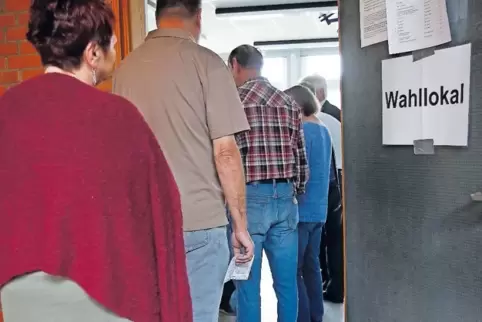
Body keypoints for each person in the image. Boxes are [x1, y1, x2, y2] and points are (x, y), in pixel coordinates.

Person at [0, 1, 192, 321]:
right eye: (110, 40)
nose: (115, 45)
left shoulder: (8, 109)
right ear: (92, 53)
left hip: (19, 288)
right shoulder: (117, 116)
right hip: (106, 289)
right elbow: (160, 208)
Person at [112, 0, 254, 321]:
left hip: (143, 223)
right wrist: (241, 226)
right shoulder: (208, 64)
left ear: (159, 14)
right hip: (200, 224)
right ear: (198, 18)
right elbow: (226, 152)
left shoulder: (124, 70)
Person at [228, 44, 309, 322]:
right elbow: (300, 157)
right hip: (285, 197)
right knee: (287, 286)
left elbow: (226, 158)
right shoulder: (288, 102)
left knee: (248, 287)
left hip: (248, 201)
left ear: (235, 65)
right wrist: (294, 190)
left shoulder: (233, 101)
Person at [285, 85, 333, 322]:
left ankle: (301, 318)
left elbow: (297, 171)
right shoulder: (323, 129)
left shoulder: (302, 130)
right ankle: (316, 315)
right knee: (312, 266)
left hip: (301, 209)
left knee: (294, 270)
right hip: (319, 210)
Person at [301, 75, 344, 303]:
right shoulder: (334, 119)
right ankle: (334, 286)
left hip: (321, 185)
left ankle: (327, 284)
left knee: (315, 246)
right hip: (337, 182)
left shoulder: (313, 123)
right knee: (334, 239)